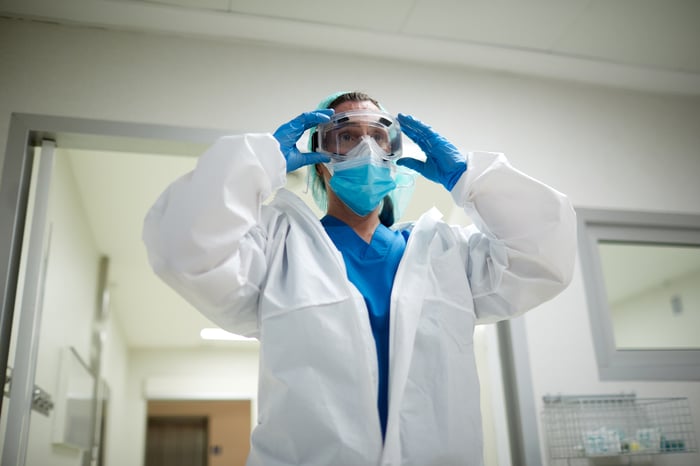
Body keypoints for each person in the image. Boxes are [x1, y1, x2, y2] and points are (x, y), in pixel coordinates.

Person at [142, 91, 576, 466]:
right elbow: (184, 248)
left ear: (395, 157)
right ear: (320, 160)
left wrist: (470, 179)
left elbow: (545, 254)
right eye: (346, 135)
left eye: (378, 136)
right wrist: (261, 163)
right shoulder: (278, 248)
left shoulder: (447, 253)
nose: (365, 149)